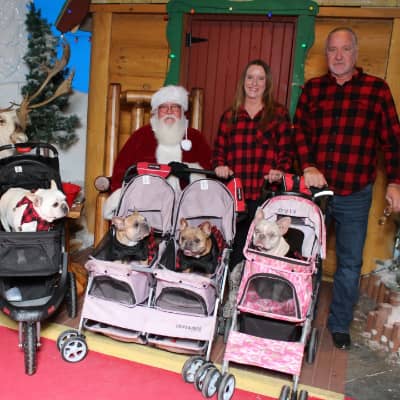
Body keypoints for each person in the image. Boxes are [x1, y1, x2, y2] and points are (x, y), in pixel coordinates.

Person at [293, 27, 400, 350]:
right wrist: (307, 166)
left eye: (345, 49)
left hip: (355, 193)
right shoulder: (313, 90)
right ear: (326, 54)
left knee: (350, 264)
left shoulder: (376, 90)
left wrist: (395, 182)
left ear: (355, 52)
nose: (338, 56)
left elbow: (393, 141)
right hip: (316, 193)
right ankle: (298, 316)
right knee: (304, 257)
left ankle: (339, 324)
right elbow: (299, 132)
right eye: (332, 50)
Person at [213, 59, 295, 271]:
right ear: (243, 81)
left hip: (265, 192)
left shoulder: (278, 114)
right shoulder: (230, 116)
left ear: (267, 84)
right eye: (250, 77)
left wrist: (280, 170)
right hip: (236, 195)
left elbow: (287, 152)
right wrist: (220, 165)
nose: (254, 83)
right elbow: (218, 152)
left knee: (264, 247)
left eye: (260, 78)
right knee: (236, 246)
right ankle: (232, 286)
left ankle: (257, 286)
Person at [110, 85, 212, 193]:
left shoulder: (195, 137)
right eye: (163, 107)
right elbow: (120, 172)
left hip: (185, 198)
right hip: (145, 197)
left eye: (175, 107)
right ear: (156, 111)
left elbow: (209, 173)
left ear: (182, 111)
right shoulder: (141, 135)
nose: (169, 111)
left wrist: (187, 171)